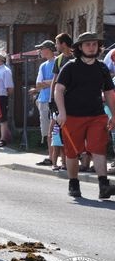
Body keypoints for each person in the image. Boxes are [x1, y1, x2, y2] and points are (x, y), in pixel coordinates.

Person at [55, 32, 115, 198]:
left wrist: (114, 114)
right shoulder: (70, 67)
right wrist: (62, 113)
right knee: (72, 153)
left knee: (98, 148)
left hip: (97, 116)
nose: (91, 47)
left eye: (94, 44)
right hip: (72, 116)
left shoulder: (102, 67)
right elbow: (58, 90)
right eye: (87, 44)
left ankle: (104, 185)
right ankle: (73, 183)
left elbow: (109, 92)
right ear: (80, 47)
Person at [47, 33, 73, 170]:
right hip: (59, 99)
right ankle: (57, 162)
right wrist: (51, 99)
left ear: (63, 44)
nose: (56, 46)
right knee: (56, 131)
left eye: (57, 43)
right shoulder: (59, 59)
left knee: (71, 131)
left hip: (74, 99)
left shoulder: (76, 57)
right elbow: (54, 80)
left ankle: (69, 161)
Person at [30, 39, 56, 164]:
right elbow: (38, 84)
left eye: (42, 48)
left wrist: (46, 83)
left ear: (49, 49)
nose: (40, 51)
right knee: (47, 131)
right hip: (43, 99)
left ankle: (57, 158)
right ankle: (51, 157)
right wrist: (50, 82)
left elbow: (59, 81)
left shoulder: (58, 62)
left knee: (56, 130)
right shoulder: (43, 65)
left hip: (55, 99)